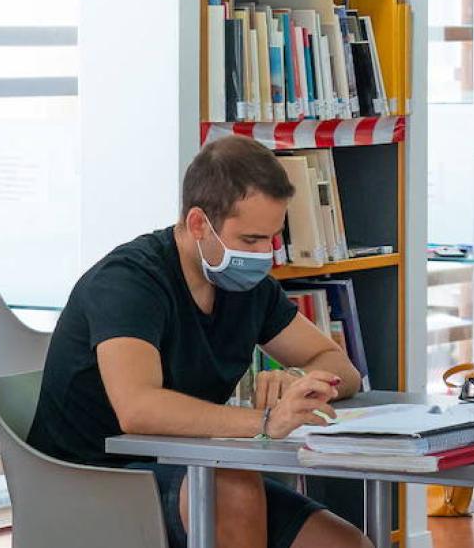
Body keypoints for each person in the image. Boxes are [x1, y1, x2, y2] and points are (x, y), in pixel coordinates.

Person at [28, 135, 370, 548]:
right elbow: (138, 408)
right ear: (198, 224)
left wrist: (300, 378)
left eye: (272, 238)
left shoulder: (246, 285)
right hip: (91, 480)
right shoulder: (128, 281)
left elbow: (340, 367)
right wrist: (265, 422)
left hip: (190, 465)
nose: (266, 255)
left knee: (346, 545)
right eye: (250, 240)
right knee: (235, 492)